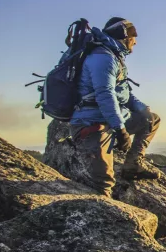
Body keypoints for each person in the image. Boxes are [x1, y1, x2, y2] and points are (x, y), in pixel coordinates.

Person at [69, 17, 161, 197]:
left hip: (108, 119)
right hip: (92, 122)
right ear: (124, 36)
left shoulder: (114, 56)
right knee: (104, 182)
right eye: (133, 36)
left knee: (151, 119)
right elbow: (105, 95)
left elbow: (123, 92)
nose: (135, 41)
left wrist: (143, 109)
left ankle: (132, 166)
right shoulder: (103, 58)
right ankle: (105, 211)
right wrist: (120, 129)